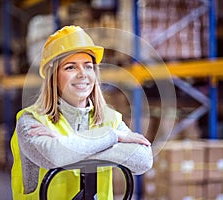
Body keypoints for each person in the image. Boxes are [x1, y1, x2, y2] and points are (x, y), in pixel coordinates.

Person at [10, 25, 153, 200]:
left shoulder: (110, 119)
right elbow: (55, 155)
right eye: (71, 67)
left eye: (88, 66)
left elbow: (142, 160)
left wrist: (66, 144)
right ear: (53, 77)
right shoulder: (30, 121)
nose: (82, 74)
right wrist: (112, 137)